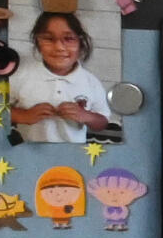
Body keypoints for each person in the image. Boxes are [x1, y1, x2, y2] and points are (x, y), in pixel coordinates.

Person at [9, 9, 118, 144]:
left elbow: (102, 122)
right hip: (26, 154)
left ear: (81, 43)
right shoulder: (20, 76)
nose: (59, 47)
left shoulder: (91, 82)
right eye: (49, 39)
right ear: (37, 42)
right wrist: (24, 116)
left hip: (73, 158)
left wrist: (86, 116)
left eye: (69, 39)